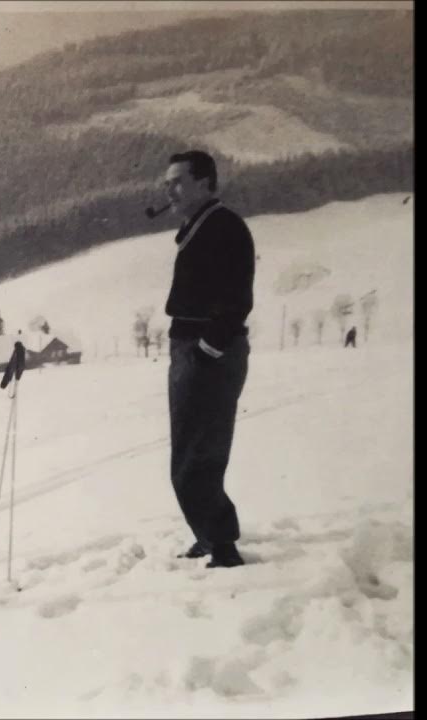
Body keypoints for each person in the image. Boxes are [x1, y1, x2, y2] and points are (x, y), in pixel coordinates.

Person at [160, 150, 255, 569]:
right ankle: (209, 534)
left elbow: (237, 299)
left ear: (204, 182)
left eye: (178, 181)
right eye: (167, 182)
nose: (169, 189)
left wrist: (206, 349)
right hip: (193, 349)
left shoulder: (224, 228)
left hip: (207, 353)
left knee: (198, 455)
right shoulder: (202, 225)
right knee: (192, 451)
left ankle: (222, 546)